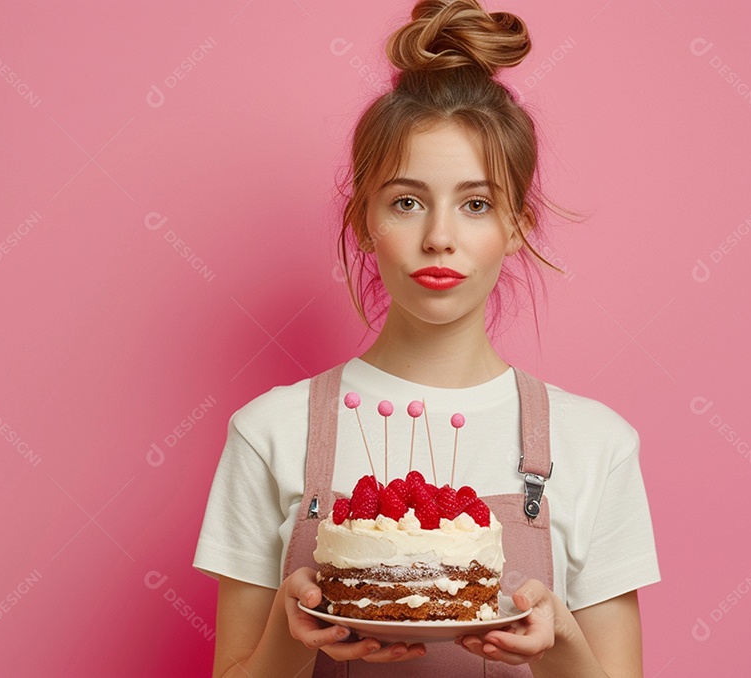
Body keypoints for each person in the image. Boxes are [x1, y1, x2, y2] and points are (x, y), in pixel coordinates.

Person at [192, 1, 660, 675]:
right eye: (407, 201)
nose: (439, 235)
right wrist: (287, 636)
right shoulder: (269, 432)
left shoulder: (596, 445)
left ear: (517, 226)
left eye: (476, 204)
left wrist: (560, 641)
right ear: (363, 221)